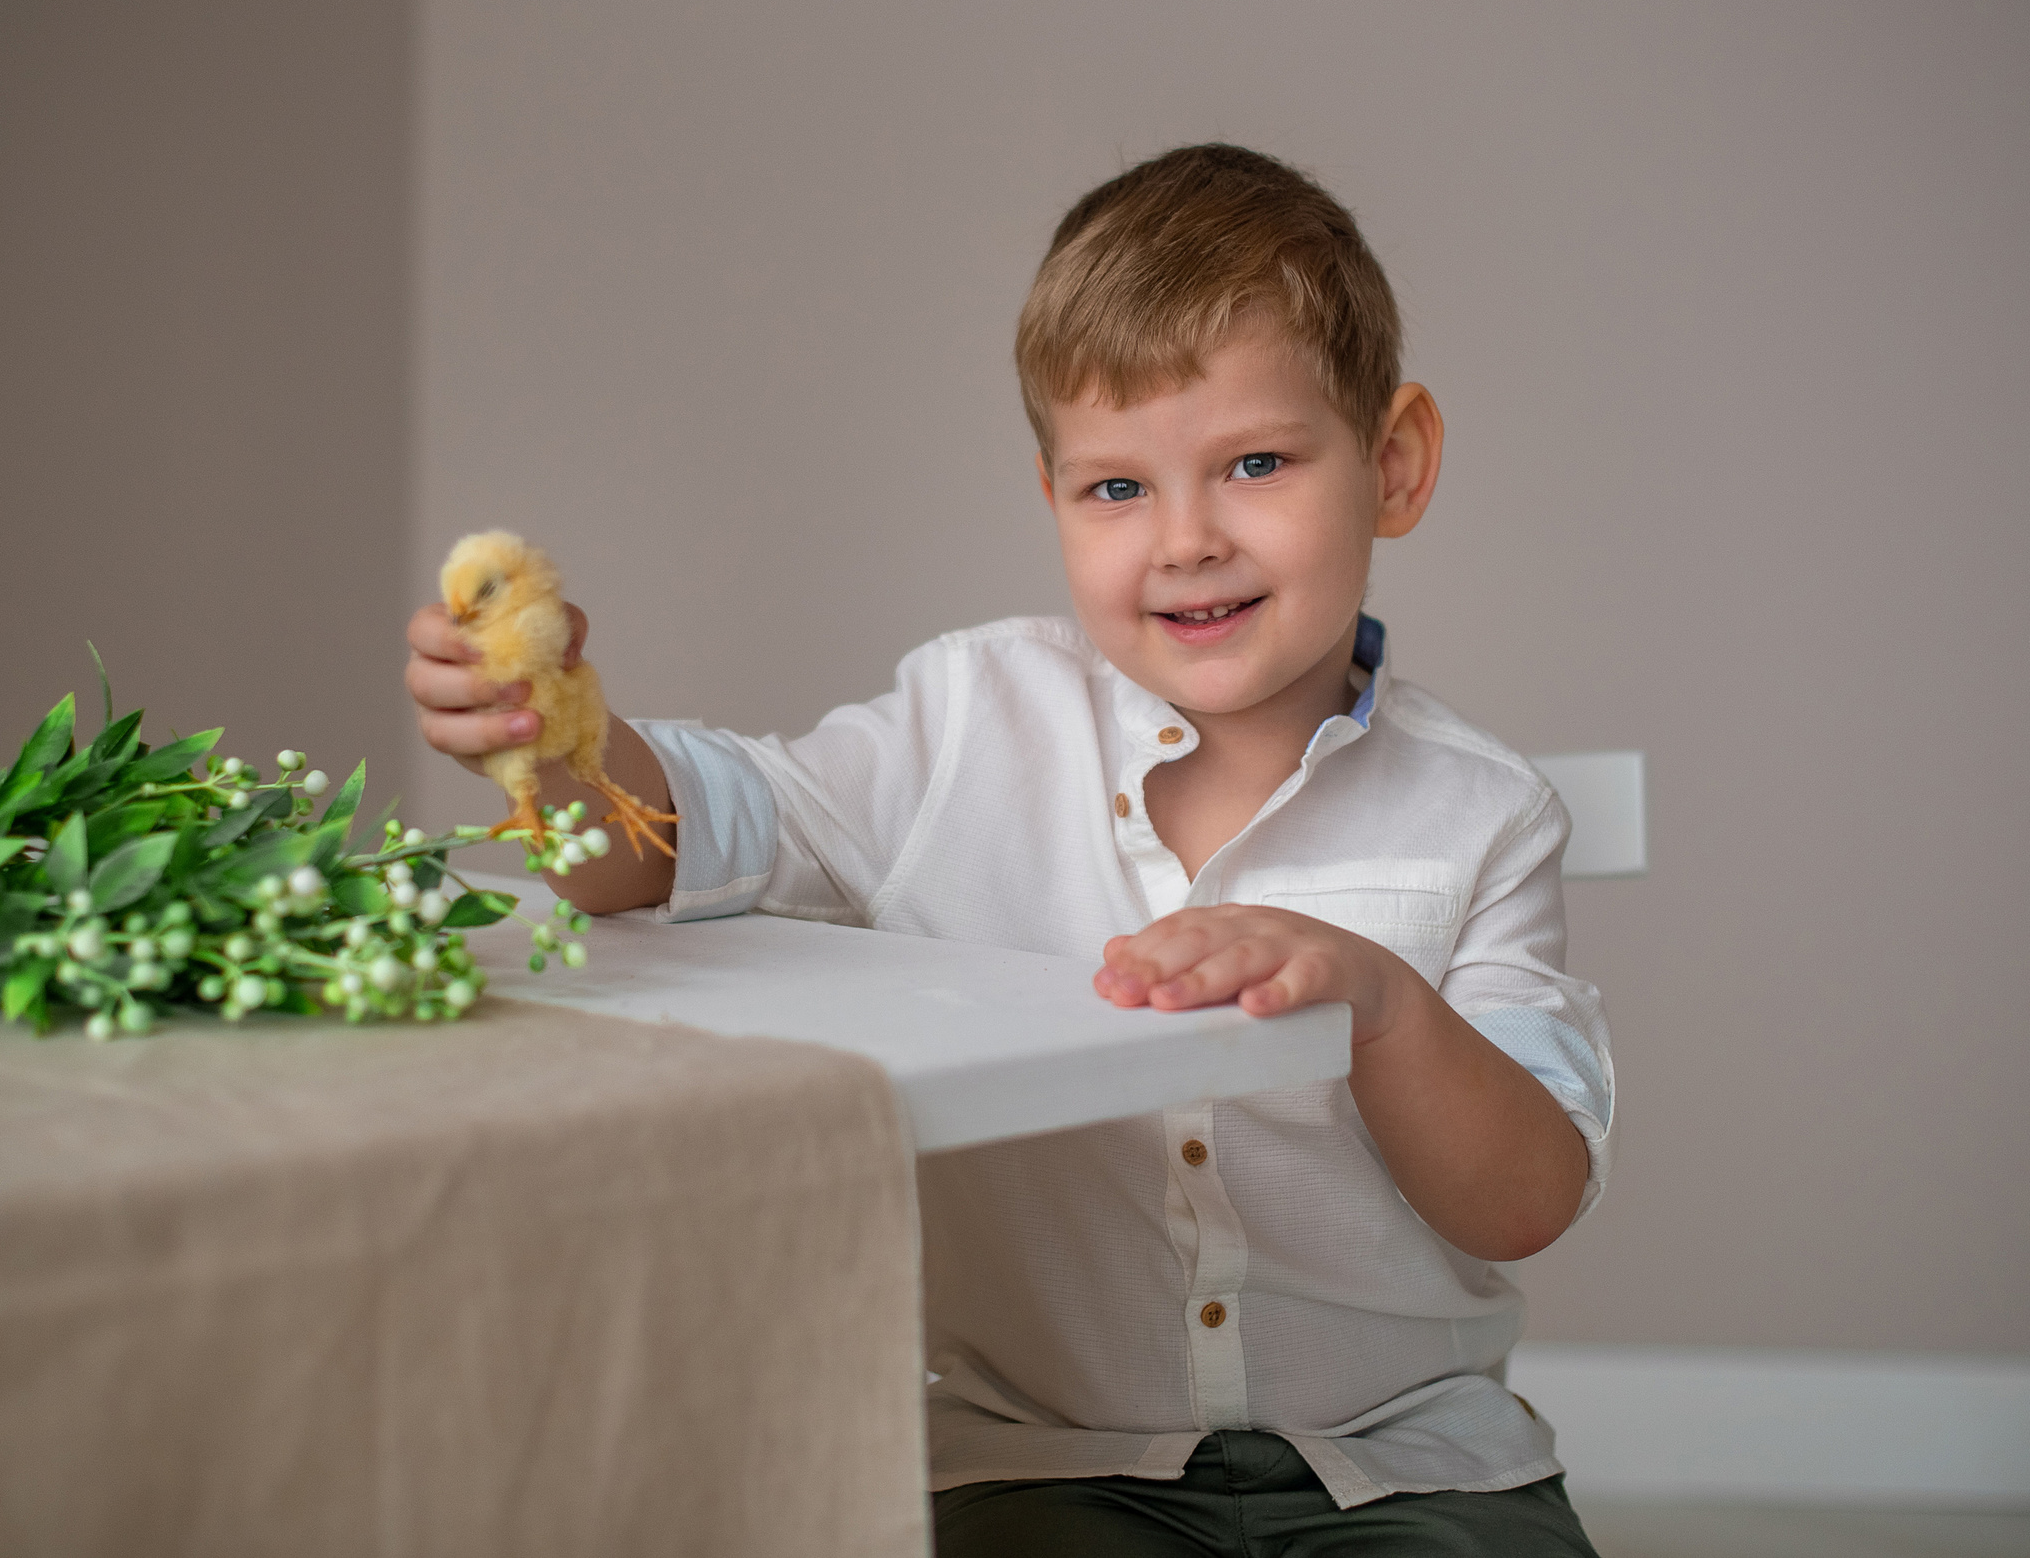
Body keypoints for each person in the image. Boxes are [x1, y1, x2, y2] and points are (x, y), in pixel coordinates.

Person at [405, 144, 1613, 1557]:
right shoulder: (963, 723)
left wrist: (1381, 998)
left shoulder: (1486, 810)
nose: (1186, 539)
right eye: (1116, 488)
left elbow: (1525, 1200)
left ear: (1393, 464)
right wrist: (556, 747)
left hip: (1414, 1465)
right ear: (1050, 496)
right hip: (1042, 1466)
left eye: (1257, 462)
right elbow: (679, 840)